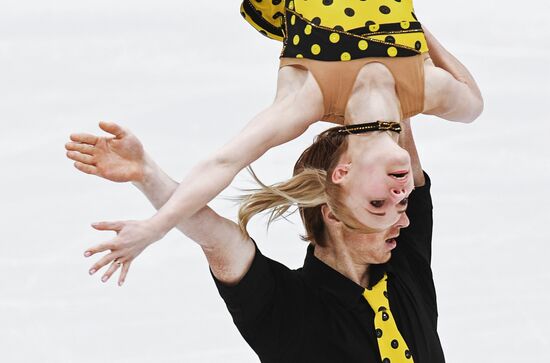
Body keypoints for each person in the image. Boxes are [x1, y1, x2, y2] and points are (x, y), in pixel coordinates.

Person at [66, 119, 444, 362]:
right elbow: (215, 237)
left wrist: (392, 40)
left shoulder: (403, 261)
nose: (404, 218)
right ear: (333, 212)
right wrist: (145, 173)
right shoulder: (284, 306)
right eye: (379, 201)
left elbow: (397, 129)